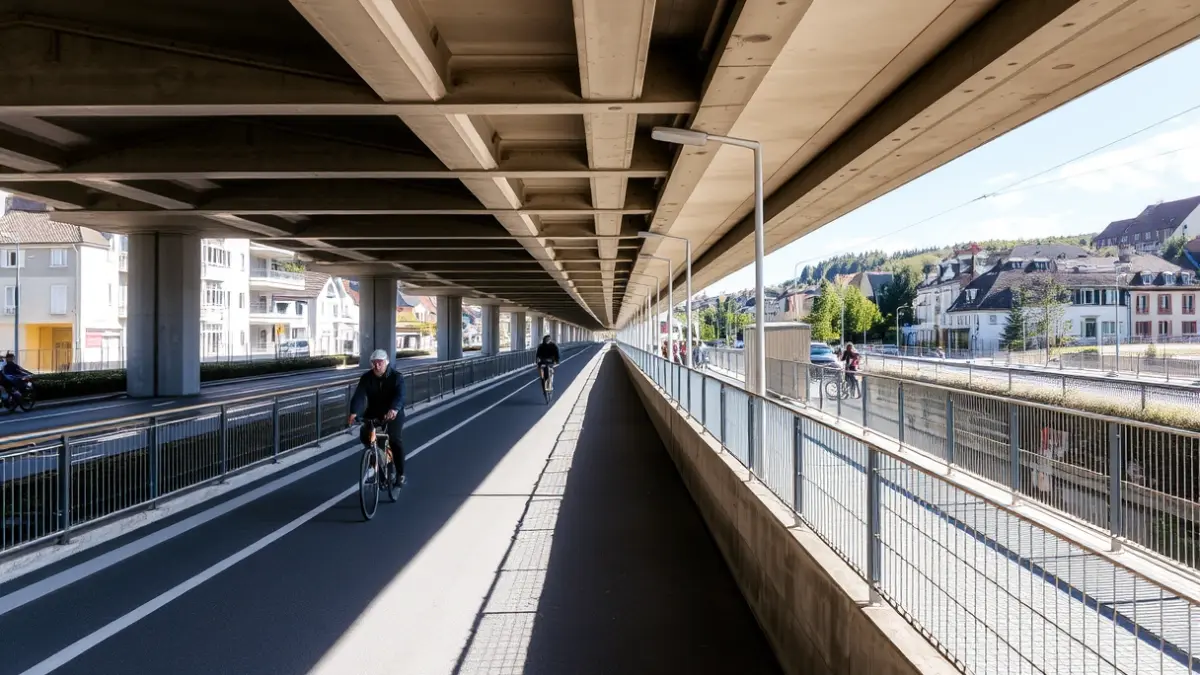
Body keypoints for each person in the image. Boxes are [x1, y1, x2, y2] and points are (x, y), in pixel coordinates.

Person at [347, 349, 406, 487]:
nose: (377, 366)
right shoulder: (366, 378)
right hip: (374, 412)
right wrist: (354, 411)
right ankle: (377, 464)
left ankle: (400, 473)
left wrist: (394, 409)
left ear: (386, 363)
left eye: (380, 363)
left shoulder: (396, 377)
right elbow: (359, 395)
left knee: (394, 439)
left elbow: (400, 395)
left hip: (393, 413)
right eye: (374, 363)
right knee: (365, 436)